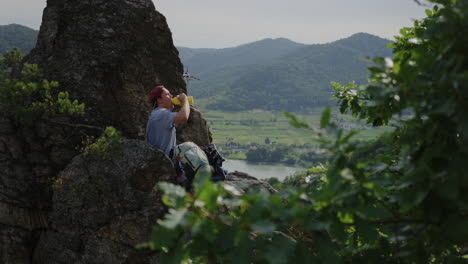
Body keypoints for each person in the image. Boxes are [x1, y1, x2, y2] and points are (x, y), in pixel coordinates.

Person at [146, 85, 190, 157]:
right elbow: (184, 116)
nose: (171, 96)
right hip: (163, 163)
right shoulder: (161, 113)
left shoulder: (157, 113)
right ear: (159, 100)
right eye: (168, 94)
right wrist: (185, 100)